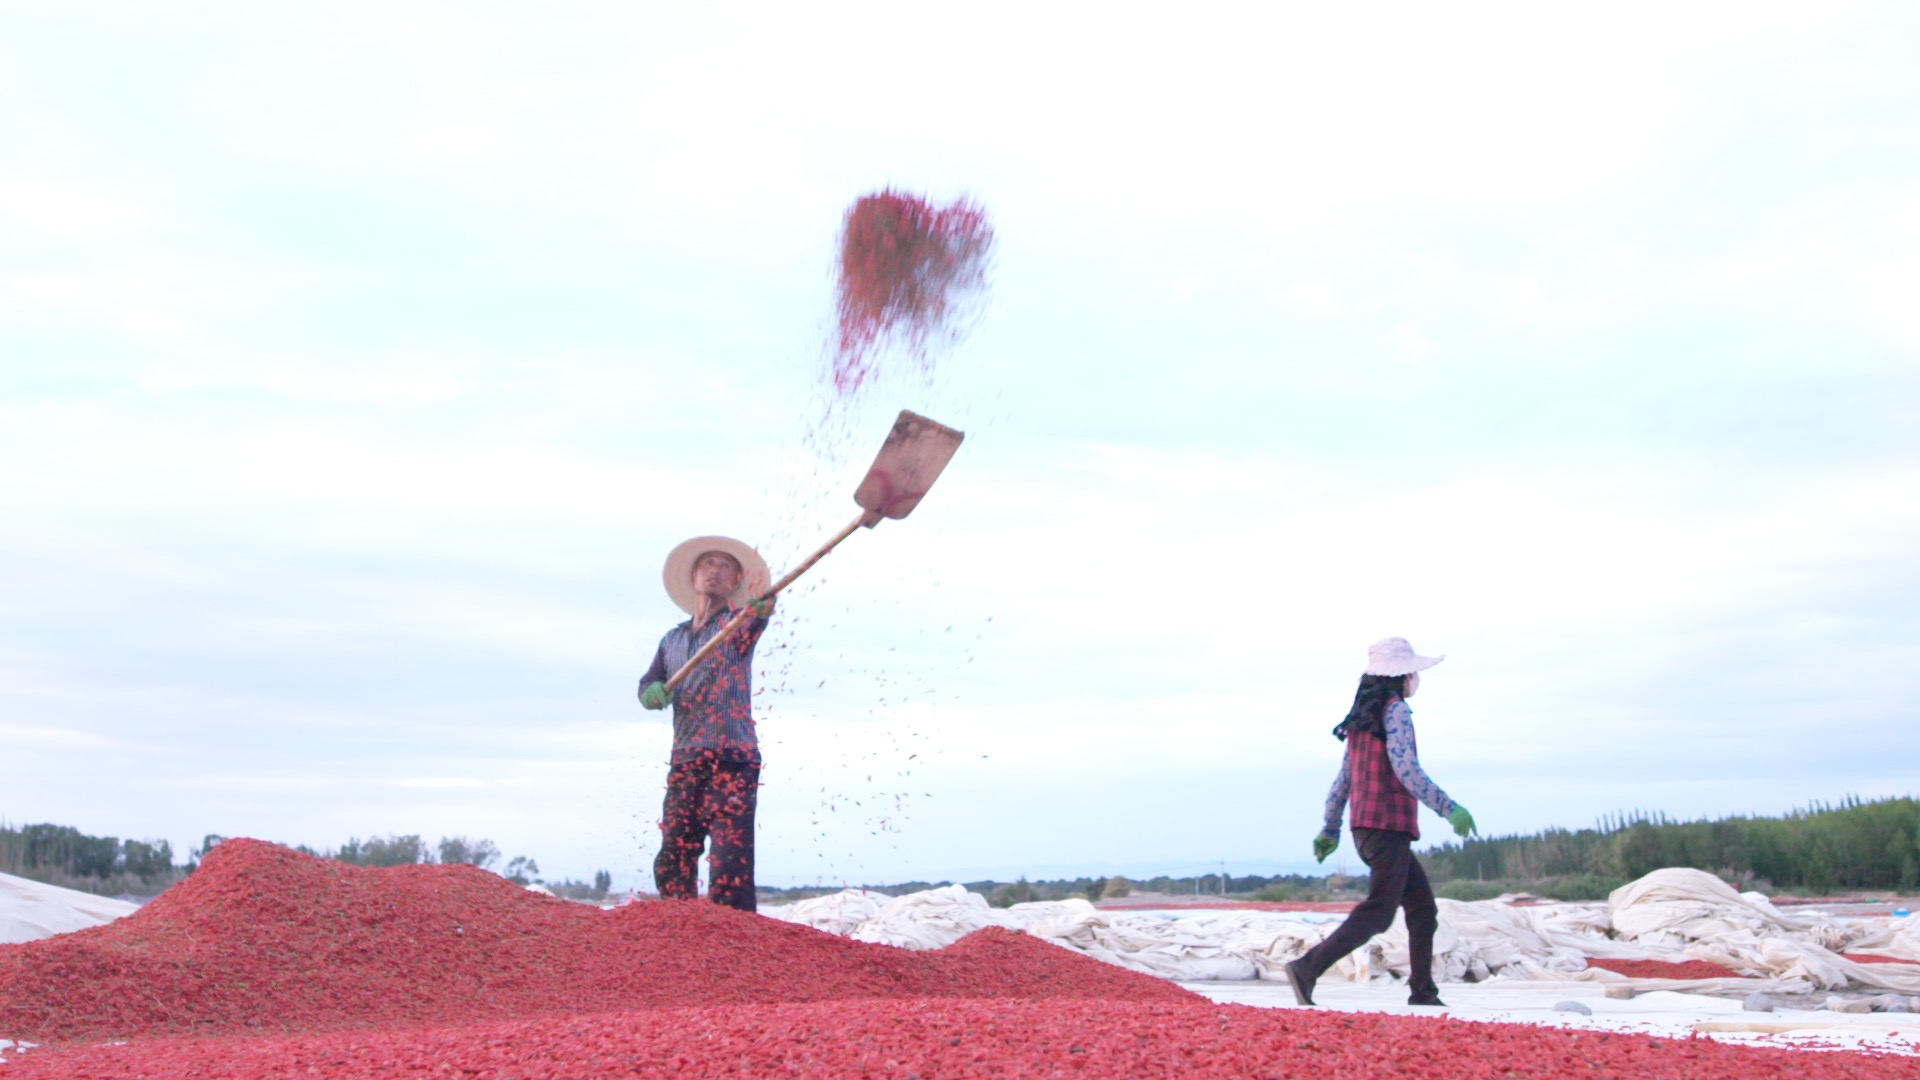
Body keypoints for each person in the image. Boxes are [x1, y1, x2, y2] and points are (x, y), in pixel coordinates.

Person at [1285, 637, 1477, 1008]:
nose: (1416, 679)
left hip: (1367, 829)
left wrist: (1330, 827)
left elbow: (1343, 780)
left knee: (1422, 909)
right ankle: (1307, 968)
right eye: (1414, 673)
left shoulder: (1361, 720)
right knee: (1379, 912)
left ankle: (1423, 991)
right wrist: (1448, 807)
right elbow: (1407, 769)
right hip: (1387, 828)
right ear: (1402, 676)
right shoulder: (1396, 712)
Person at [637, 535, 774, 912]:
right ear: (694, 576)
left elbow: (757, 619)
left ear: (734, 582)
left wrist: (762, 608)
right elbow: (649, 681)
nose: (715, 571)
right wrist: (651, 692)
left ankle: (737, 941)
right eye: (708, 565)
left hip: (733, 759)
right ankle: (679, 929)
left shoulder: (737, 625)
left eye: (724, 566)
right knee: (673, 857)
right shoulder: (672, 640)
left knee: (731, 862)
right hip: (686, 759)